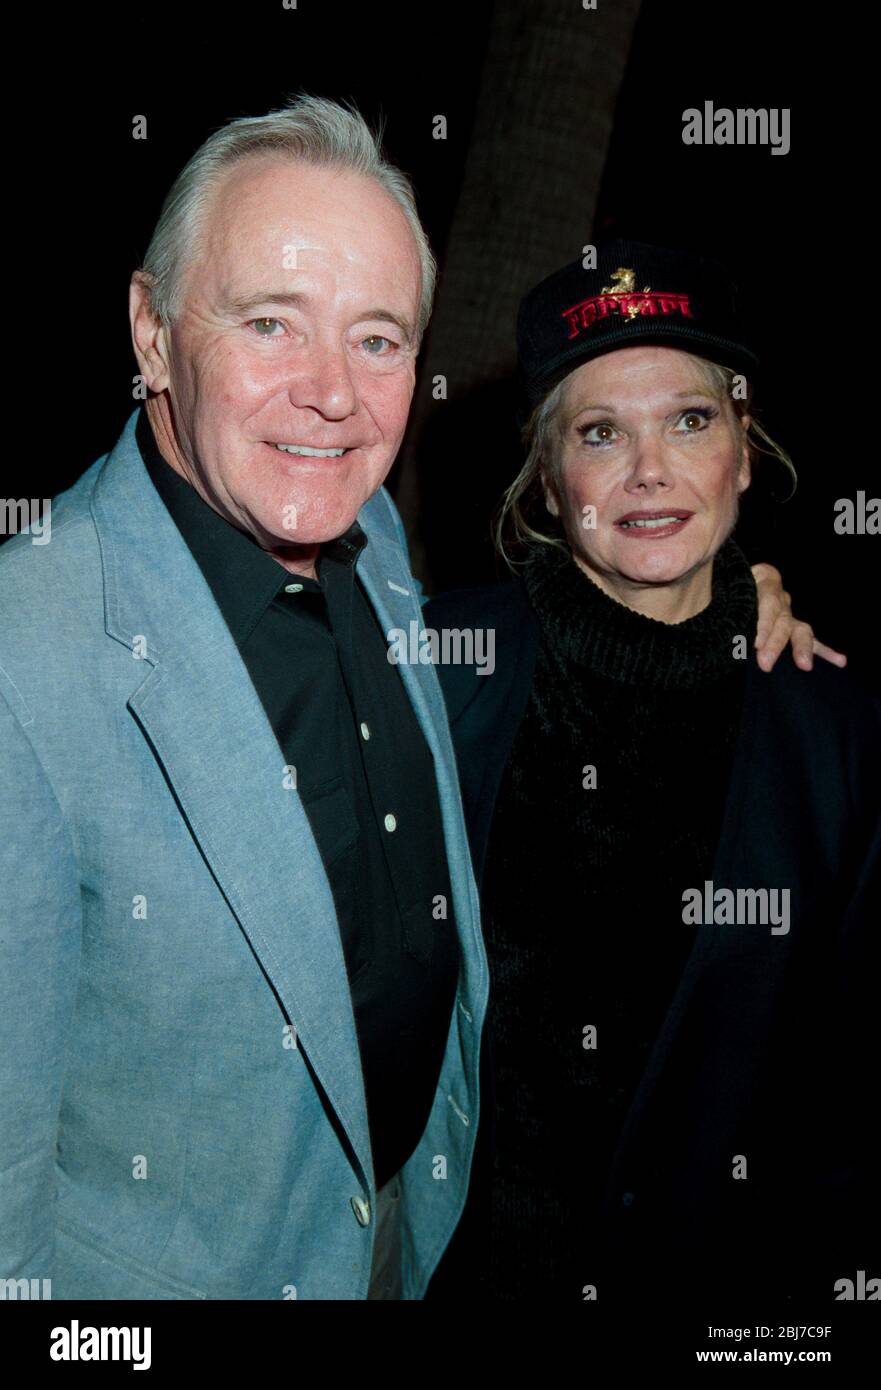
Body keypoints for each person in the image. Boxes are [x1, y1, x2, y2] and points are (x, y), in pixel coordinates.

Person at [0, 102, 822, 1302]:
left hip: (415, 1240)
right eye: (271, 321)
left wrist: (721, 603)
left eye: (377, 339)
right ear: (153, 327)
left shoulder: (369, 533)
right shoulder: (33, 654)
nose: (332, 394)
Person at [424, 241, 878, 1305]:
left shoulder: (839, 744)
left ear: (743, 451)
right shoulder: (432, 682)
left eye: (687, 419)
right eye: (598, 433)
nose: (648, 471)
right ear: (547, 478)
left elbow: (849, 1112)